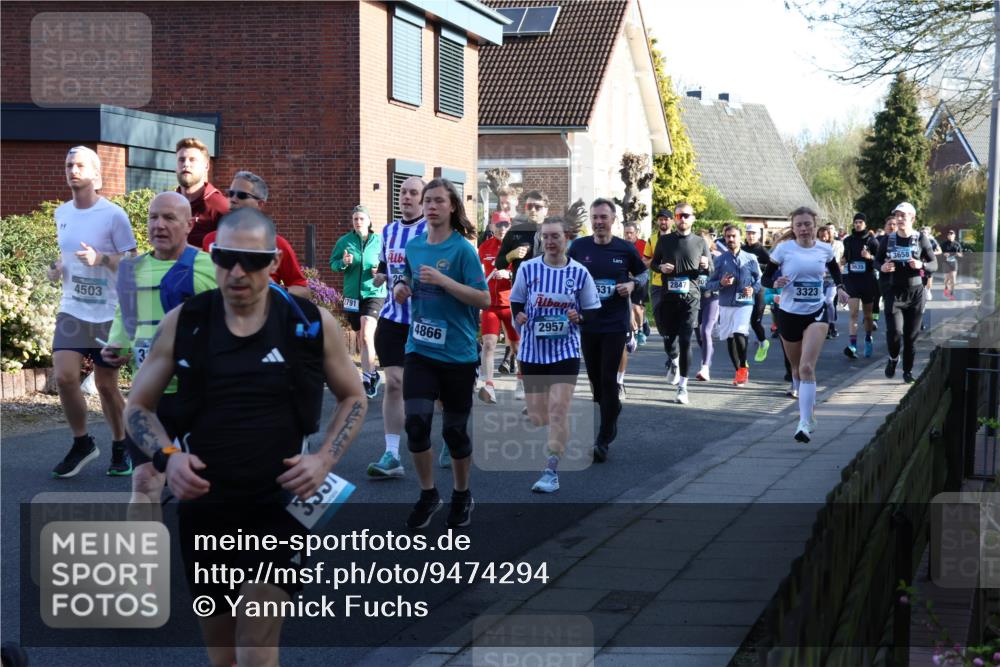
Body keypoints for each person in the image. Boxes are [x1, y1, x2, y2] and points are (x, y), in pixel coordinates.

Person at [124, 207, 366, 667]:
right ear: (213, 256)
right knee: (223, 656)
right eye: (226, 258)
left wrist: (323, 460)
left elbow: (354, 397)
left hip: (280, 505)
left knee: (254, 648)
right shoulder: (185, 322)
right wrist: (169, 457)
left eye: (252, 261)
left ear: (274, 262)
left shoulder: (309, 324)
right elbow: (138, 407)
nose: (237, 272)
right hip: (206, 506)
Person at [101, 192, 217, 510]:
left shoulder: (210, 267)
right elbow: (125, 317)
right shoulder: (131, 269)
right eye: (153, 217)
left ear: (189, 224)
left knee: (207, 487)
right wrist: (117, 345)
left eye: (169, 218)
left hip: (202, 397)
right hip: (149, 398)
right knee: (145, 481)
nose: (159, 225)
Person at [391, 179, 489, 528]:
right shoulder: (414, 246)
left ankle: (462, 494)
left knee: (454, 433)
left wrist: (445, 281)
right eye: (427, 201)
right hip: (420, 349)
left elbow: (483, 299)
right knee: (416, 425)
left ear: (452, 207)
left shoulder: (463, 250)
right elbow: (406, 276)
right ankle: (429, 493)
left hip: (458, 354)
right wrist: (401, 286)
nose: (431, 206)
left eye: (438, 201)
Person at [48, 146, 138, 478]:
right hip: (72, 310)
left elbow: (132, 262)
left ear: (96, 174)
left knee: (106, 385)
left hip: (108, 313)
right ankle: (82, 442)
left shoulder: (113, 215)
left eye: (80, 165)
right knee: (64, 377)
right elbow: (66, 255)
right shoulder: (62, 213)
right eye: (69, 165)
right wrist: (57, 268)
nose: (73, 170)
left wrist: (101, 258)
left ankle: (121, 444)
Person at [511, 217, 601, 488]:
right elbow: (516, 300)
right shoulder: (528, 268)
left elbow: (592, 310)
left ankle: (550, 471)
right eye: (546, 237)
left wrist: (579, 317)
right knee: (539, 416)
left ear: (567, 239)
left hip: (565, 350)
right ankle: (551, 425)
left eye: (555, 237)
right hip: (532, 351)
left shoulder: (580, 273)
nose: (550, 242)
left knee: (559, 410)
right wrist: (520, 315)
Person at [568, 200, 647, 461]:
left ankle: (603, 437)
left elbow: (644, 274)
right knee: (595, 380)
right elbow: (566, 274)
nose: (599, 222)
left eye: (603, 217)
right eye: (595, 217)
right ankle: (612, 409)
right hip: (588, 323)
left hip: (615, 323)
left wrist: (633, 285)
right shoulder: (579, 247)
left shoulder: (625, 248)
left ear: (613, 220)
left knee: (607, 377)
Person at [763, 207, 848, 442]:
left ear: (815, 226)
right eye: (799, 224)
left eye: (807, 224)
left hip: (816, 313)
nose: (803, 228)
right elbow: (765, 278)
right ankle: (806, 416)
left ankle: (804, 422)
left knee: (807, 367)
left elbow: (835, 272)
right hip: (789, 313)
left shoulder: (824, 249)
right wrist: (775, 282)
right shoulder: (784, 249)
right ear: (793, 228)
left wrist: (841, 288)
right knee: (796, 369)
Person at [368, 176, 426, 478]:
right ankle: (392, 454)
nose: (407, 197)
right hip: (392, 319)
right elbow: (384, 266)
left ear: (423, 199)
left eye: (413, 193)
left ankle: (450, 435)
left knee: (434, 391)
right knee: (394, 383)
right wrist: (380, 276)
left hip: (424, 321)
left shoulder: (430, 231)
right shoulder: (388, 230)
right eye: (403, 192)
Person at [201, 171, 310, 299]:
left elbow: (304, 290)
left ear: (260, 204)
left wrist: (277, 290)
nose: (233, 199)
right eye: (230, 194)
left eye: (242, 195)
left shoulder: (276, 244)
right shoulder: (211, 240)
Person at [649, 202, 713, 405]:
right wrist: (661, 268)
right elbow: (653, 263)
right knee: (669, 340)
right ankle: (674, 360)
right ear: (674, 219)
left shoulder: (700, 242)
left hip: (691, 298)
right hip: (668, 297)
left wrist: (706, 265)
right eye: (679, 216)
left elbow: (711, 269)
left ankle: (683, 386)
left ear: (693, 218)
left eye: (686, 215)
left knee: (686, 340)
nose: (682, 219)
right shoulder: (665, 240)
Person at [876, 203, 939, 383]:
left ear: (912, 218)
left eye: (904, 216)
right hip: (894, 292)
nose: (900, 219)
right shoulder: (888, 239)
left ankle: (908, 372)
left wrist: (922, 265)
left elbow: (934, 264)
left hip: (915, 293)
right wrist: (882, 267)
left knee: (911, 337)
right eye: (897, 215)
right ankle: (893, 358)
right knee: (894, 332)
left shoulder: (921, 239)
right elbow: (877, 261)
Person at [330, 205, 386, 399]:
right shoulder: (344, 241)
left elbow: (390, 265)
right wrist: (343, 263)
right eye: (355, 219)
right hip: (352, 296)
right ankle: (373, 373)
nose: (358, 222)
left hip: (374, 292)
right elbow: (333, 264)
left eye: (362, 218)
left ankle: (367, 378)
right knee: (361, 336)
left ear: (369, 221)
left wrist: (380, 272)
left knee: (366, 334)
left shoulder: (380, 241)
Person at [706, 225, 761, 386]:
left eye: (734, 236)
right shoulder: (720, 260)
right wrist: (721, 283)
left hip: (745, 302)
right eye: (728, 236)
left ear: (740, 237)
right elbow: (709, 284)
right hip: (726, 303)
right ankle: (738, 370)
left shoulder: (750, 258)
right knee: (730, 337)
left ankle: (743, 366)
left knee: (739, 331)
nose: (731, 239)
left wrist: (753, 289)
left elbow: (759, 280)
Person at [477, 214, 520, 403]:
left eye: (505, 224)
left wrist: (508, 275)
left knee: (517, 347)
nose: (502, 228)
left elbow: (525, 273)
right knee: (488, 344)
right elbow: (477, 271)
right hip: (490, 305)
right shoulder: (484, 247)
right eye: (499, 224)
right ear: (492, 226)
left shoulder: (517, 248)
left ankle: (521, 381)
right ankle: (489, 385)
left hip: (511, 304)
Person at [174, 137, 229, 248]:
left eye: (192, 160)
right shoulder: (170, 204)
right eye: (181, 160)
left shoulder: (221, 207)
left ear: (206, 166)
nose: (186, 164)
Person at [841, 212, 880, 359]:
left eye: (860, 222)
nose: (857, 224)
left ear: (865, 224)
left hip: (867, 280)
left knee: (868, 316)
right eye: (856, 222)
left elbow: (879, 261)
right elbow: (846, 256)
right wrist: (843, 260)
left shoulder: (872, 241)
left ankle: (868, 338)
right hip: (852, 280)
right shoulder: (848, 240)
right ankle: (853, 346)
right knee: (853, 314)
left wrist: (869, 257)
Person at [495, 190, 549, 277]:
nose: (533, 210)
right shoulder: (514, 231)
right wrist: (512, 255)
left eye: (537, 207)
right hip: (521, 285)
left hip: (546, 284)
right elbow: (499, 264)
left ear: (545, 210)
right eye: (529, 206)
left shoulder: (554, 233)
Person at [694, 229, 722, 382]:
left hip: (711, 298)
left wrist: (708, 267)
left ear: (709, 243)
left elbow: (721, 278)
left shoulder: (717, 257)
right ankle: (707, 357)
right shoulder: (690, 257)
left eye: (704, 242)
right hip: (694, 299)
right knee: (699, 335)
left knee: (705, 331)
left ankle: (705, 368)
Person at [742, 223, 772, 362]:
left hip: (760, 288)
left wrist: (756, 265)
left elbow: (771, 267)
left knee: (755, 320)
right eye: (749, 233)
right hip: (744, 288)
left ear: (758, 235)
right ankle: (741, 348)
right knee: (743, 318)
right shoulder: (742, 249)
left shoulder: (762, 251)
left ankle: (763, 342)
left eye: (753, 233)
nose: (751, 236)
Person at [643, 209, 673, 332]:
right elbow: (645, 262)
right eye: (661, 219)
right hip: (657, 284)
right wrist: (657, 260)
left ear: (672, 221)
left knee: (672, 315)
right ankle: (665, 335)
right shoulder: (652, 239)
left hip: (674, 283)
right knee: (657, 314)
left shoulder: (678, 238)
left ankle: (671, 338)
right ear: (657, 221)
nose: (663, 222)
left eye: (666, 219)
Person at [623, 222, 650, 345]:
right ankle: (637, 331)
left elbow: (650, 260)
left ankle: (642, 323)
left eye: (631, 233)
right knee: (630, 307)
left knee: (637, 308)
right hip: (627, 280)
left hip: (640, 279)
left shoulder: (643, 245)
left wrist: (639, 268)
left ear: (636, 233)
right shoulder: (621, 245)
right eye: (626, 233)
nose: (628, 235)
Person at [817, 226, 840, 339]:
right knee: (821, 303)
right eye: (821, 236)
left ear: (829, 235)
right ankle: (823, 325)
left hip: (831, 280)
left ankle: (832, 325)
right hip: (819, 281)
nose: (823, 238)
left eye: (825, 235)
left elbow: (835, 263)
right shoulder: (815, 247)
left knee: (829, 301)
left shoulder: (833, 247)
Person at [940, 229, 963, 299]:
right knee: (947, 278)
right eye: (949, 235)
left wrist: (958, 254)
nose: (950, 235)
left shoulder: (957, 244)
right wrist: (944, 254)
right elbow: (939, 252)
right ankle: (946, 287)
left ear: (954, 235)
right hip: (946, 262)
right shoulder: (943, 244)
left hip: (954, 262)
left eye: (952, 234)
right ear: (947, 236)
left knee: (953, 278)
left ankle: (952, 292)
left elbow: (961, 254)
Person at [922, 226, 942, 301]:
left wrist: (932, 253)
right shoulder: (918, 240)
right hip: (921, 262)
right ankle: (922, 291)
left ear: (928, 233)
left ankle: (928, 290)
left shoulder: (932, 241)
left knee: (929, 277)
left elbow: (940, 251)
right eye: (922, 232)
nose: (923, 233)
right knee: (921, 277)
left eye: (925, 232)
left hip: (930, 262)